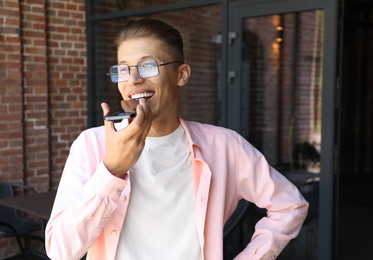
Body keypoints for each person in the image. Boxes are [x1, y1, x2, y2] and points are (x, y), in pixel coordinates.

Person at [45, 18, 308, 260]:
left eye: (148, 66)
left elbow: (290, 205)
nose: (134, 79)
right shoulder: (92, 145)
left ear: (181, 74)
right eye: (123, 69)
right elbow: (60, 250)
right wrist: (111, 170)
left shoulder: (225, 146)